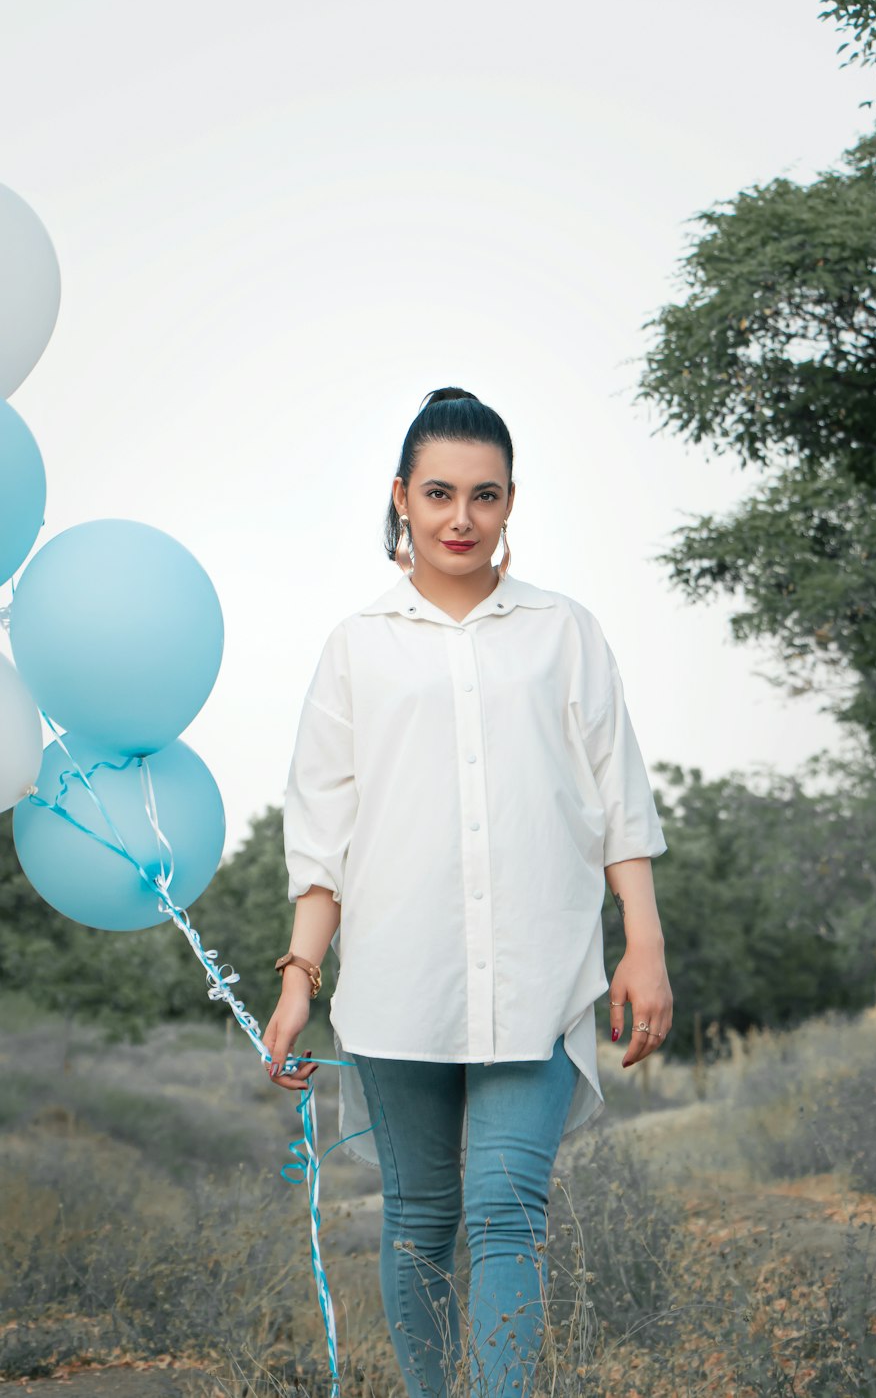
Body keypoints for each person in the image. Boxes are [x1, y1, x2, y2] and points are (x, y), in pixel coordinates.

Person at [263, 387, 673, 1397]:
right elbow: (324, 839)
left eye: (483, 497)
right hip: (400, 983)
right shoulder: (356, 646)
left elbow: (617, 799)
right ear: (400, 496)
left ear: (510, 502)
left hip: (540, 971)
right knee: (420, 1220)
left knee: (504, 1206)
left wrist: (644, 944)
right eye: (439, 493)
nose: (460, 518)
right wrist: (298, 979)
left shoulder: (564, 633)